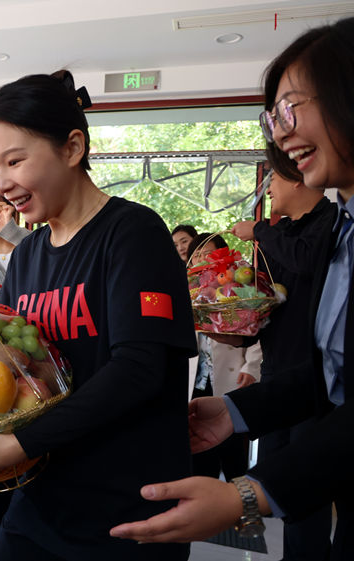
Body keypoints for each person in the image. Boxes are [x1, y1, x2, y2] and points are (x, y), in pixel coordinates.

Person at [0, 69, 197, 561]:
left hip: (127, 510)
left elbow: (139, 369)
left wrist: (18, 444)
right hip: (40, 500)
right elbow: (4, 357)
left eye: (14, 161)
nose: (0, 184)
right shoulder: (27, 257)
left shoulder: (132, 233)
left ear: (72, 149)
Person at [109, 17, 354, 557]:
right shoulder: (343, 230)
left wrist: (247, 493)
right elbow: (334, 378)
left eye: (291, 107)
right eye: (273, 117)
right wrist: (235, 411)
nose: (280, 134)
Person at [232, 171, 336, 560]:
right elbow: (274, 303)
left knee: (307, 491)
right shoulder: (284, 234)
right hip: (276, 374)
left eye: (272, 178)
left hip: (313, 380)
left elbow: (308, 260)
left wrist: (260, 230)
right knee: (278, 486)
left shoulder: (330, 223)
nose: (269, 188)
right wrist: (239, 328)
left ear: (298, 180)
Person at [186, 234, 262, 482]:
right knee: (201, 451)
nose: (201, 258)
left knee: (233, 454)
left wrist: (251, 366)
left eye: (207, 253)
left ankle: (238, 509)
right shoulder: (187, 288)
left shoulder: (235, 286)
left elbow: (256, 329)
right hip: (197, 380)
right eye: (196, 254)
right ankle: (208, 512)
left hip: (232, 377)